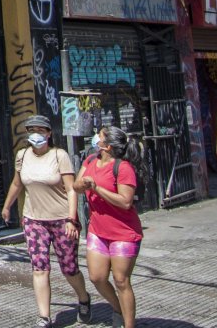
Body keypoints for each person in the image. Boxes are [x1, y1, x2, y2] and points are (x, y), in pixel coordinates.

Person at [1, 115, 92, 328]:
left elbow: (71, 190)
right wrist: (7, 206)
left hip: (61, 220)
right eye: (32, 130)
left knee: (69, 268)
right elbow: (17, 183)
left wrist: (72, 219)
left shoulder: (59, 155)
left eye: (40, 130)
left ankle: (83, 297)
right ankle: (44, 317)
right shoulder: (22, 155)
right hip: (34, 220)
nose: (36, 134)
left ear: (49, 133)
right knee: (39, 268)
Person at [74, 126, 143, 328]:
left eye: (101, 135)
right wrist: (83, 185)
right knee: (97, 277)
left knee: (121, 280)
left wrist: (96, 188)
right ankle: (118, 309)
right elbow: (76, 186)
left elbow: (125, 201)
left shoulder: (123, 168)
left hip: (123, 232)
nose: (96, 137)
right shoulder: (90, 160)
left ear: (108, 145)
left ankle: (129, 324)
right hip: (98, 230)